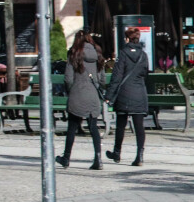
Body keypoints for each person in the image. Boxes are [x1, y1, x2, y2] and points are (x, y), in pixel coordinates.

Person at [57, 30, 105, 170]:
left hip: (77, 94)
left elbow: (68, 78)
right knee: (93, 127)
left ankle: (66, 158)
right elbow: (102, 79)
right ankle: (98, 159)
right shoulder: (98, 54)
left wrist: (71, 91)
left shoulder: (74, 53)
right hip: (93, 96)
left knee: (72, 127)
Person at [105, 27, 151, 166]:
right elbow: (145, 74)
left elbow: (117, 77)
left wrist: (109, 95)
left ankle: (117, 153)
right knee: (139, 127)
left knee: (121, 125)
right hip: (139, 93)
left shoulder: (123, 54)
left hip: (124, 93)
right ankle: (139, 156)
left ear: (126, 39)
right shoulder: (143, 55)